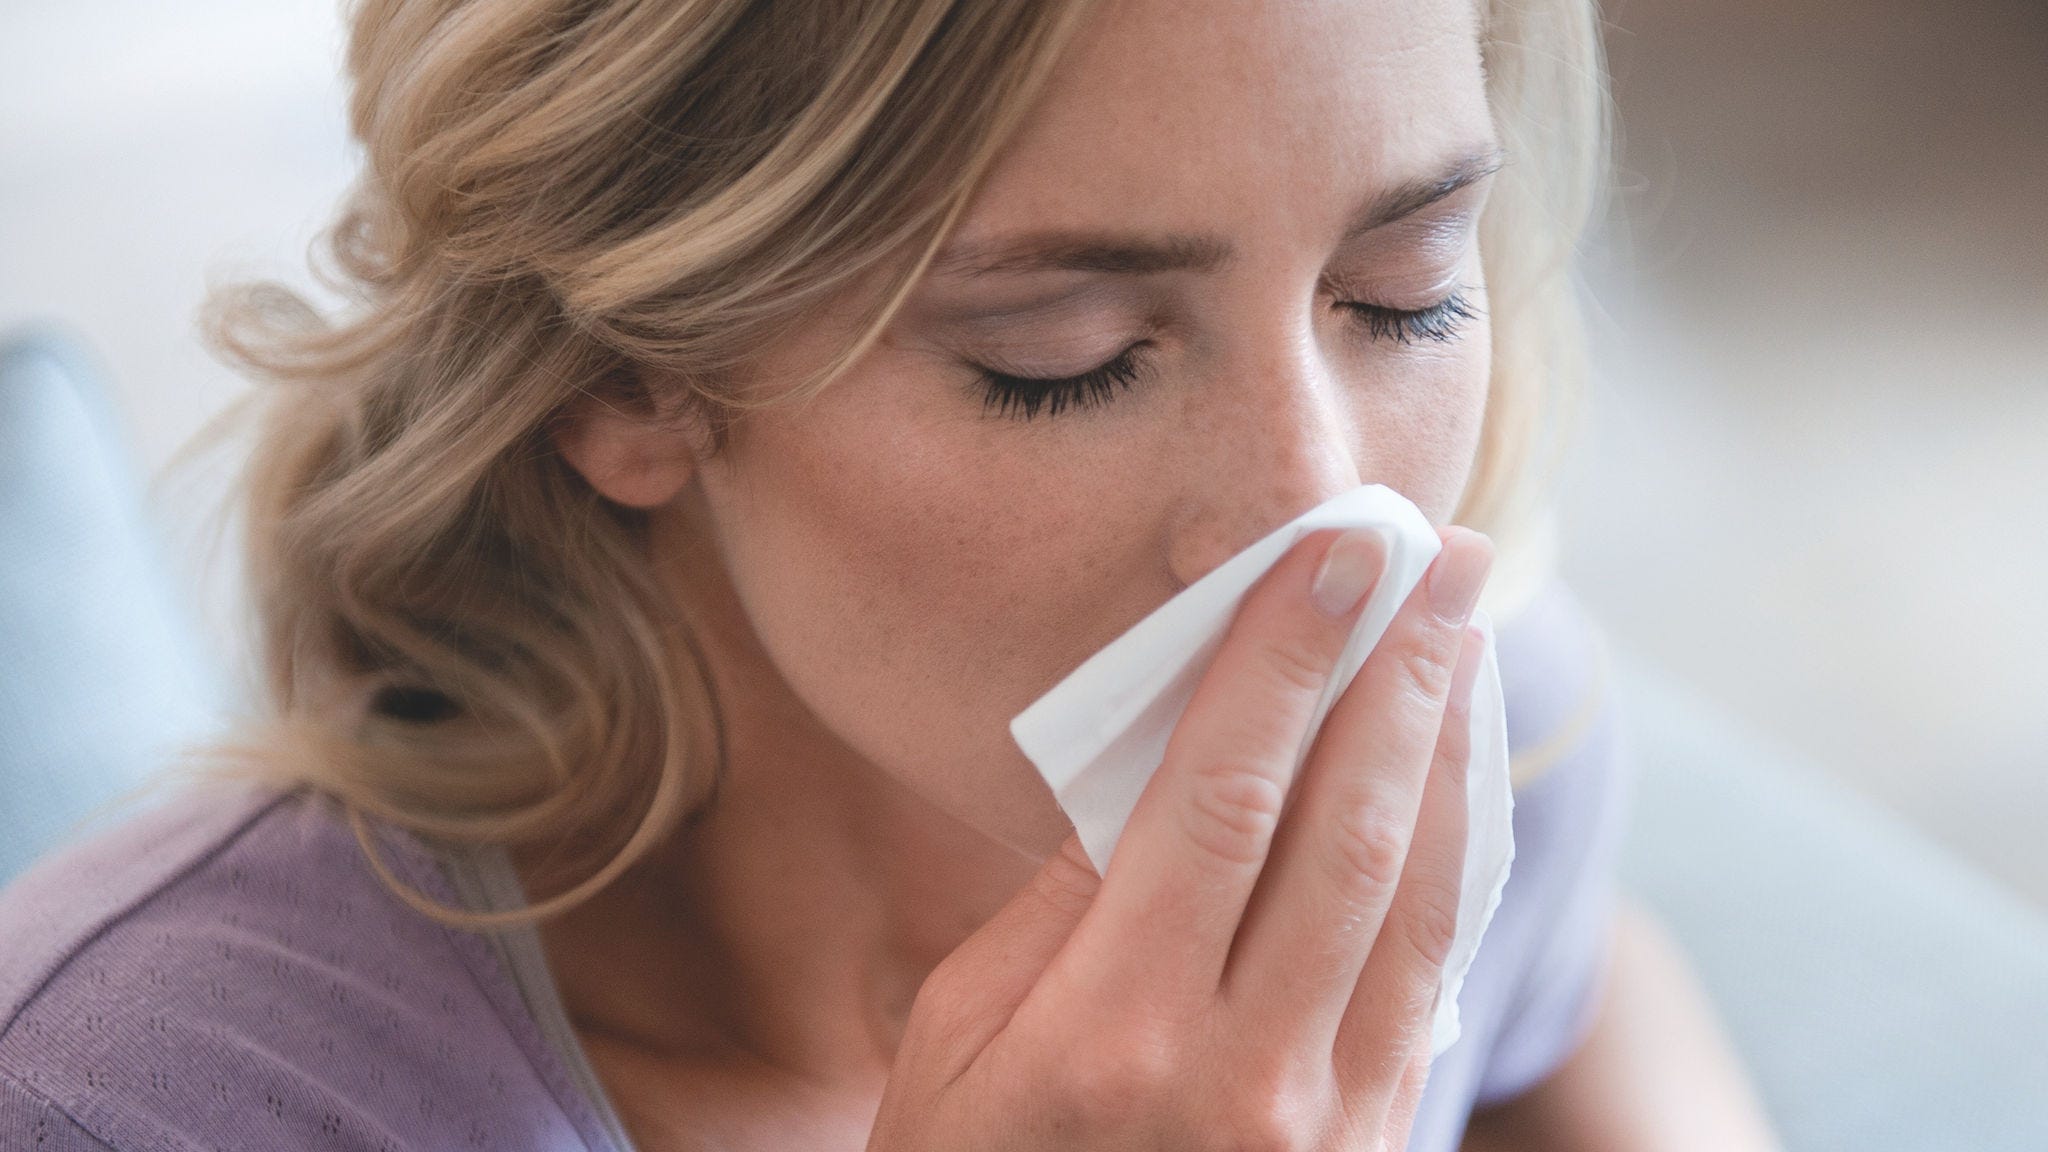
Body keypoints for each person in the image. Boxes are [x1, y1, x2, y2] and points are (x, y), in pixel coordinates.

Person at [0, 0, 1782, 1147]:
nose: (1317, 518)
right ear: (621, 376)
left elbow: (1573, 994)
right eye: (1068, 352)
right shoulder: (130, 1099)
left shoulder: (1482, 733)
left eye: (1405, 295)